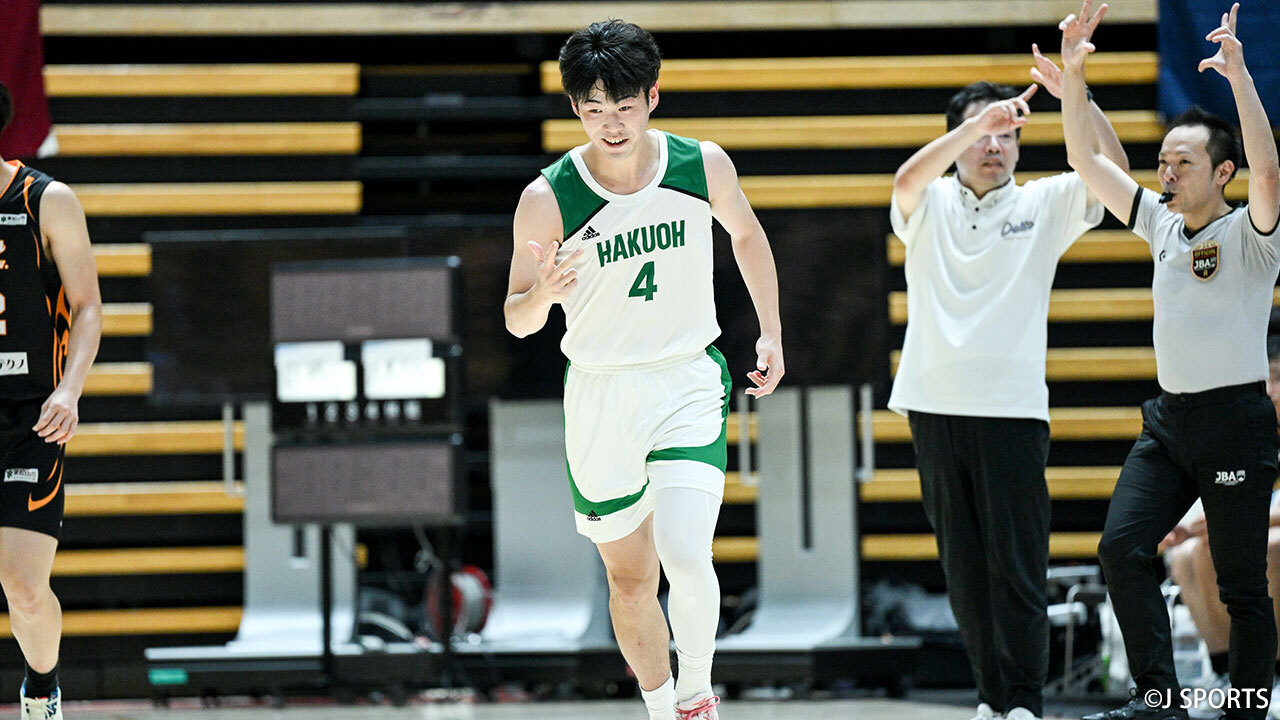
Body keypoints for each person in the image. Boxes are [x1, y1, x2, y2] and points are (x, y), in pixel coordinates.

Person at [503, 20, 783, 720]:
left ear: (652, 97)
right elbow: (516, 318)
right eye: (595, 109)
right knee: (631, 583)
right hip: (601, 394)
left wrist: (771, 332)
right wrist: (543, 294)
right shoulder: (548, 198)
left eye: (625, 106)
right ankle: (661, 708)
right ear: (575, 108)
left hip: (687, 380)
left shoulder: (700, 165)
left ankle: (697, 696)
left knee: (686, 555)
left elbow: (747, 235)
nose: (612, 124)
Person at [887, 12, 1127, 720]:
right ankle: (992, 699)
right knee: (963, 572)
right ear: (957, 141)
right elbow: (905, 176)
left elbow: (1112, 173)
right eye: (983, 134)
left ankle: (1023, 701)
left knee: (1017, 567)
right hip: (933, 404)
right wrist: (974, 124)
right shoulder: (930, 200)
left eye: (1008, 134)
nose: (996, 145)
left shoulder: (1044, 202)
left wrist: (1075, 90)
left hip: (1012, 409)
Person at [1058, 2, 1280, 719]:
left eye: (1183, 163)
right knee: (1121, 548)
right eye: (1162, 163)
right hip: (1168, 424)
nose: (1167, 173)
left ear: (1222, 172)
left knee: (1241, 585)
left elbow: (1268, 166)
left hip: (1235, 424)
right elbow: (1085, 161)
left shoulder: (1251, 235)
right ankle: (1159, 699)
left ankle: (1248, 707)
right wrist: (1073, 75)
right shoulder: (1157, 220)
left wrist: (1240, 77)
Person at [0, 82, 102, 720]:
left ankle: (42, 691)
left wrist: (70, 388)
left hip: (29, 418)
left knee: (24, 587)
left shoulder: (47, 200)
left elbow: (88, 306)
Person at [1164, 321, 1280, 720]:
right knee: (1188, 555)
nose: (1272, 390)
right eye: (1267, 380)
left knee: (1266, 546)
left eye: (1278, 378)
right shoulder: (1251, 427)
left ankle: (1272, 676)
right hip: (1258, 522)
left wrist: (1227, 520)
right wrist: (1189, 525)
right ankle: (1225, 673)